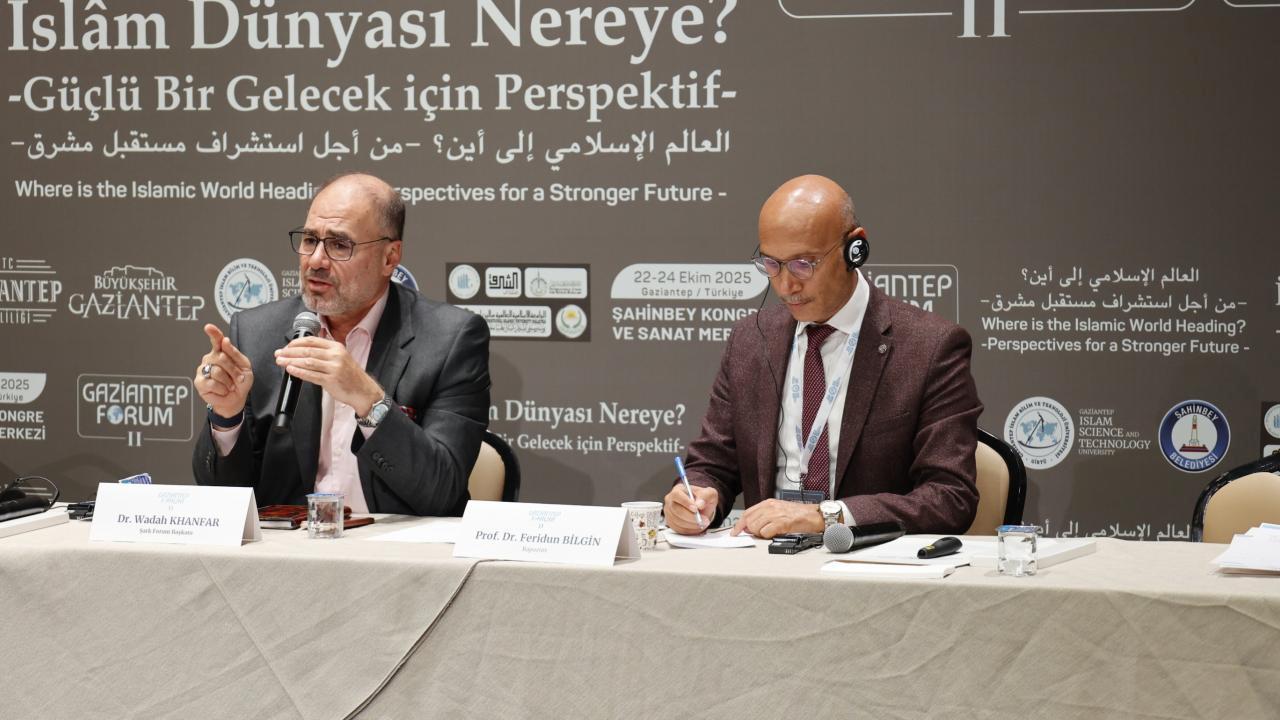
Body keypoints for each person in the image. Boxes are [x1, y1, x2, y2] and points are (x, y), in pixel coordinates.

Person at [664, 175, 981, 538]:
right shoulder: (750, 340)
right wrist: (698, 495)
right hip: (765, 557)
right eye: (772, 264)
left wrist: (827, 516)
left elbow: (950, 497)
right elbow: (713, 463)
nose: (786, 285)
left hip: (866, 561)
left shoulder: (929, 346)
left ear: (854, 250)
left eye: (803, 264)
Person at [192, 172, 490, 516]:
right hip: (290, 543)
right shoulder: (258, 332)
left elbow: (441, 492)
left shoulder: (450, 339)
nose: (316, 260)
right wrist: (227, 418)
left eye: (339, 245)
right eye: (310, 240)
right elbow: (224, 499)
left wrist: (369, 400)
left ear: (390, 258)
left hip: (398, 542)